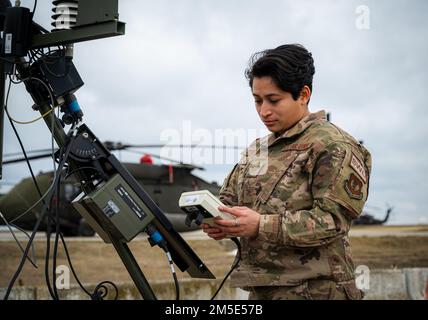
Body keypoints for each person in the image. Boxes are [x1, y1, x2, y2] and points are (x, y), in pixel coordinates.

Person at [202, 44, 372, 300]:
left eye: (273, 100)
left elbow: (334, 221)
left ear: (303, 95)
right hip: (262, 290)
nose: (263, 111)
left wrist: (261, 225)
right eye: (257, 101)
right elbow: (229, 199)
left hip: (317, 291)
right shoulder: (257, 150)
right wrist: (221, 220)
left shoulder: (333, 145)